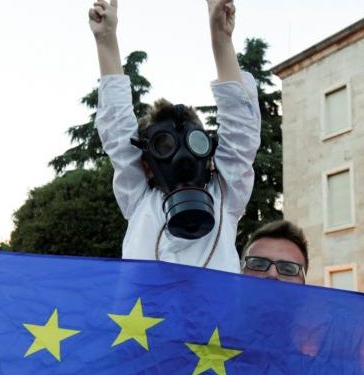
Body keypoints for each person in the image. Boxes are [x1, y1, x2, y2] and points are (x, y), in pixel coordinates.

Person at [88, 0, 260, 272]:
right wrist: (106, 40)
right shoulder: (139, 198)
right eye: (164, 146)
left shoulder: (226, 195)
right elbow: (117, 130)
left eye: (195, 144)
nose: (181, 158)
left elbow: (241, 132)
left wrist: (222, 38)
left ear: (210, 156)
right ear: (146, 165)